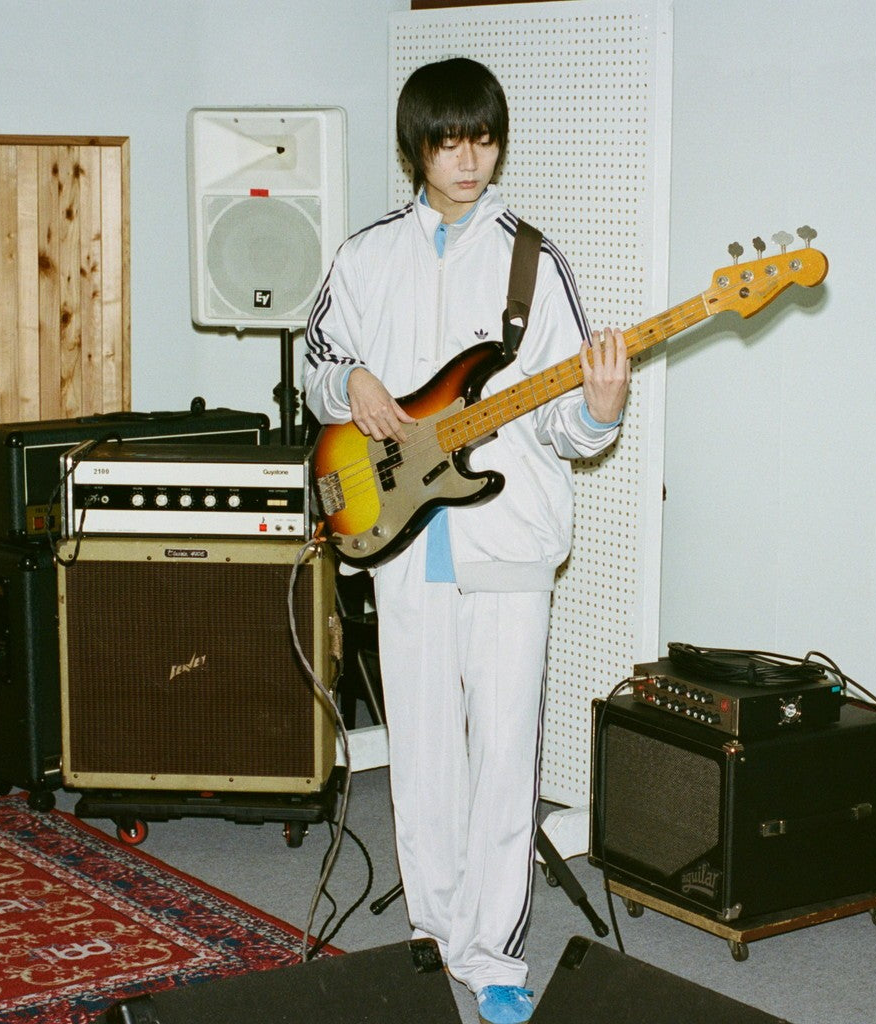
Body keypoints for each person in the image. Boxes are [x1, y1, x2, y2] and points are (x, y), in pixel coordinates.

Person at [303, 57, 629, 1024]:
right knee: (423, 750)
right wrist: (352, 383)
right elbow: (317, 361)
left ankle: (491, 954)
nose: (469, 159)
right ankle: (434, 932)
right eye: (449, 141)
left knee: (503, 755)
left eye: (484, 139)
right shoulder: (364, 256)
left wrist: (600, 409)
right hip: (398, 537)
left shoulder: (533, 261)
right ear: (418, 147)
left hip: (507, 537)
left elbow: (564, 428)